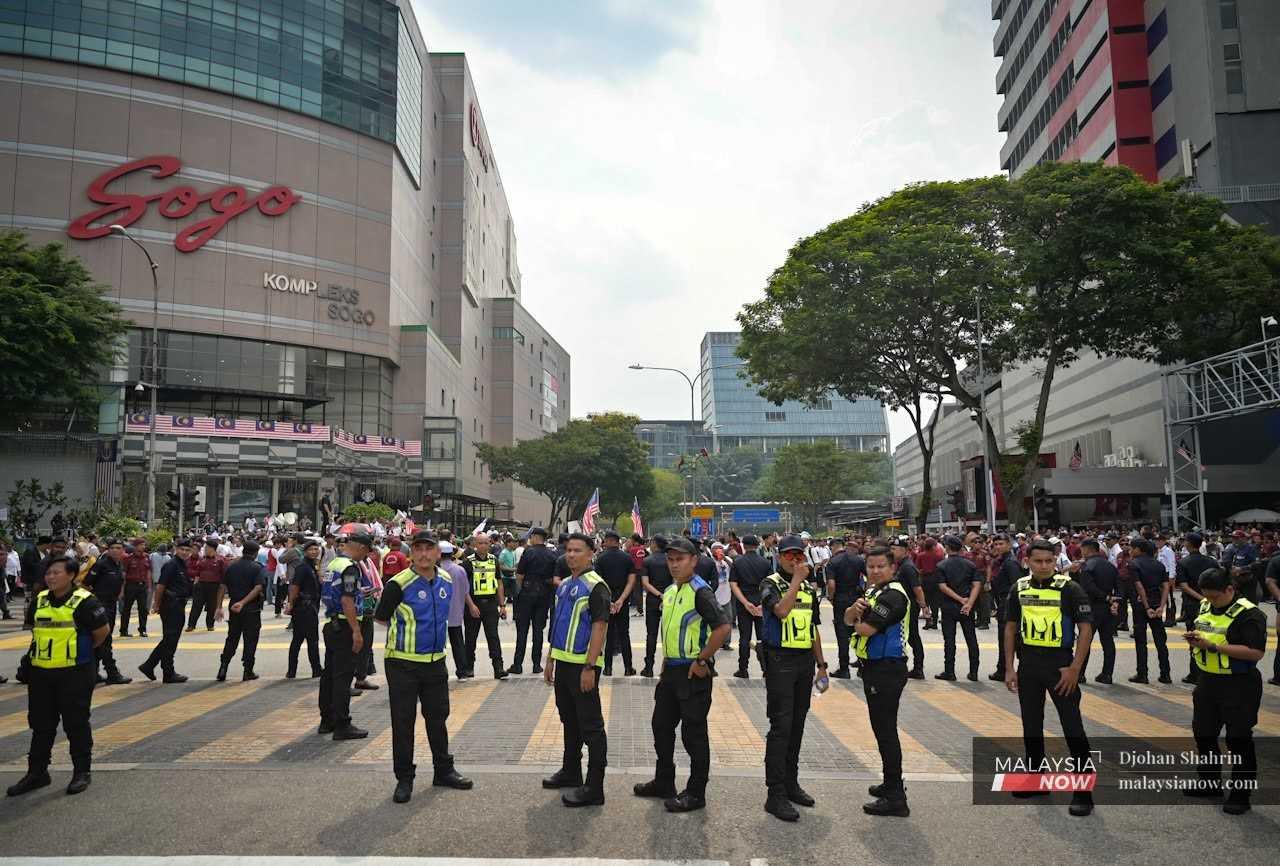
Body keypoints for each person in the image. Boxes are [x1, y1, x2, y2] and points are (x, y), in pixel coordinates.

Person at [633, 536, 730, 812]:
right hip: (672, 670)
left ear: (693, 561)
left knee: (693, 735)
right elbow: (673, 629)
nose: (674, 564)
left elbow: (723, 628)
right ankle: (664, 781)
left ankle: (696, 793)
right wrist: (665, 661)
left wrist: (702, 660)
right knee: (661, 727)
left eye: (680, 559)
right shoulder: (672, 590)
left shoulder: (701, 591)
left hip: (693, 673)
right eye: (671, 559)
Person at [375, 530, 473, 803]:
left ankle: (444, 770)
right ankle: (404, 778)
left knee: (438, 718)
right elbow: (381, 618)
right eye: (418, 549)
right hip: (402, 664)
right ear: (411, 554)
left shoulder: (445, 579)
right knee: (403, 722)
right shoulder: (399, 583)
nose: (423, 554)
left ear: (438, 552)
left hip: (435, 663)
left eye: (428, 549)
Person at [1003, 539, 1095, 817]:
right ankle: (1037, 780)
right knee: (1031, 725)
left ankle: (1083, 792)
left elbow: (1086, 630)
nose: (1044, 566)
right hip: (1029, 665)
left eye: (1049, 561)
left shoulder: (1070, 588)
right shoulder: (1018, 588)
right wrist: (1009, 667)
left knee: (1072, 728)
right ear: (1027, 561)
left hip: (1061, 666)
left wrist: (1075, 669)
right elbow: (1009, 629)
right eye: (1038, 561)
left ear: (1056, 561)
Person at [6, 556, 110, 798]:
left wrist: (77, 653)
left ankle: (81, 772)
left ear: (72, 575)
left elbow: (101, 633)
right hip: (41, 673)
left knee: (76, 723)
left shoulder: (85, 602)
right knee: (41, 725)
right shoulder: (40, 600)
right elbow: (36, 631)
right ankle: (37, 773)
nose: (50, 577)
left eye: (56, 573)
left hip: (74, 673)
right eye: (48, 573)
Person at [1183, 567, 1268, 814]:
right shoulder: (1206, 606)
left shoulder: (1249, 614)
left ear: (1230, 589)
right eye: (1206, 596)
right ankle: (1209, 782)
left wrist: (1213, 647)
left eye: (1214, 596)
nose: (1209, 601)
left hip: (1239, 684)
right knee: (1204, 733)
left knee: (1238, 739)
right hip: (1208, 681)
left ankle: (1241, 794)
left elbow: (1256, 652)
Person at [759, 535, 829, 822]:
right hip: (779, 661)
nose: (795, 560)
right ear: (779, 556)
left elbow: (812, 628)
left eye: (799, 556)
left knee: (798, 725)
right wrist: (798, 582)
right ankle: (774, 793)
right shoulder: (770, 584)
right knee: (781, 727)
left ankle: (791, 783)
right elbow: (782, 611)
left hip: (803, 664)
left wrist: (822, 665)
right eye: (789, 555)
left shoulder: (810, 592)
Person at [541, 532, 612, 807]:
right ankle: (571, 771)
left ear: (591, 553)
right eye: (568, 550)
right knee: (568, 720)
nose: (571, 555)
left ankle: (594, 787)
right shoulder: (565, 585)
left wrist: (590, 666)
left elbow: (600, 627)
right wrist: (550, 658)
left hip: (583, 665)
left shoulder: (596, 586)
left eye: (577, 550)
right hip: (564, 662)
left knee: (591, 726)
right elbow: (558, 624)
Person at [846, 545, 911, 816]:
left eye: (881, 566)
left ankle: (896, 797)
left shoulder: (893, 596)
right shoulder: (874, 591)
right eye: (871, 566)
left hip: (887, 669)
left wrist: (855, 617)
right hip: (873, 668)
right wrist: (853, 610)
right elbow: (848, 617)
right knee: (881, 729)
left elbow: (865, 628)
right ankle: (890, 782)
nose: (875, 571)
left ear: (892, 568)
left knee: (886, 732)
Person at [318, 532, 370, 740]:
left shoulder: (334, 564)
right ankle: (342, 724)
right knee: (342, 677)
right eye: (366, 552)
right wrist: (356, 630)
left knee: (329, 675)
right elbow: (347, 600)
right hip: (345, 627)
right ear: (361, 548)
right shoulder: (350, 568)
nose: (366, 556)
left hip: (333, 624)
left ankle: (327, 720)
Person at [139, 539, 195, 683]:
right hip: (171, 605)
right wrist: (156, 605)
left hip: (178, 604)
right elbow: (160, 586)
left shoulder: (182, 565)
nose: (185, 552)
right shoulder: (171, 565)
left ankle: (149, 665)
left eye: (187, 550)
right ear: (176, 549)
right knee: (170, 639)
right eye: (182, 549)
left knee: (170, 639)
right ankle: (167, 672)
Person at [80, 538, 131, 686]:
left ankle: (93, 673)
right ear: (108, 550)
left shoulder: (118, 565)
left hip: (111, 604)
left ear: (123, 551)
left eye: (119, 548)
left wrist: (119, 593)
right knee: (105, 639)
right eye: (113, 547)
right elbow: (86, 583)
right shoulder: (101, 564)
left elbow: (121, 582)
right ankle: (112, 673)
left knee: (101, 641)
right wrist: (93, 602)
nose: (116, 550)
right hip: (100, 606)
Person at [215, 540, 268, 682]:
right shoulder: (257, 568)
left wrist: (219, 607)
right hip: (251, 608)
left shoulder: (232, 567)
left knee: (232, 638)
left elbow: (222, 586)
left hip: (234, 607)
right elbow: (258, 588)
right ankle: (247, 671)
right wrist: (243, 602)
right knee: (250, 640)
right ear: (256, 553)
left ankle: (223, 667)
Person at [510, 527, 556, 675]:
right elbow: (552, 577)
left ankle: (518, 664)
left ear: (535, 537)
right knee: (538, 631)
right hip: (543, 595)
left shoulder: (528, 552)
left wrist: (518, 592)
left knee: (522, 631)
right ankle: (536, 664)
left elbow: (520, 575)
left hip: (526, 595)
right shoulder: (551, 554)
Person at [463, 533, 509, 680]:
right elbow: (463, 587)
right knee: (470, 638)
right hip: (474, 604)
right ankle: (469, 667)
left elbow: (499, 583)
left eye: (486, 543)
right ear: (475, 544)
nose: (483, 546)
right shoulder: (468, 562)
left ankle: (498, 668)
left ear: (489, 544)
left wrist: (502, 605)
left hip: (490, 604)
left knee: (493, 637)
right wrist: (470, 605)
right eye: (480, 543)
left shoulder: (493, 560)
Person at [936, 536, 981, 682]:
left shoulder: (942, 565)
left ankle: (950, 671)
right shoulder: (971, 565)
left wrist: (959, 599)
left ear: (948, 548)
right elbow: (977, 585)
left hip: (949, 607)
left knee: (949, 640)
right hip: (967, 607)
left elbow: (943, 587)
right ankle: (974, 672)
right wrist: (968, 603)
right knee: (971, 639)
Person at [1128, 538, 1172, 684]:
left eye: (1132, 548)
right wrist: (1161, 606)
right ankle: (1165, 674)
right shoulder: (1159, 565)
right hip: (1157, 604)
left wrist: (1146, 606)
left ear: (1139, 549)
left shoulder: (1134, 564)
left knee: (1141, 641)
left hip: (1142, 606)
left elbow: (1139, 586)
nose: (1130, 551)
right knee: (1161, 641)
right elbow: (1166, 586)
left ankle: (1143, 674)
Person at [729, 534, 771, 678]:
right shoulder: (765, 563)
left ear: (744, 546)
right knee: (763, 638)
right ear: (757, 545)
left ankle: (743, 669)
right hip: (761, 605)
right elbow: (770, 585)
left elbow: (733, 584)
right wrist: (761, 604)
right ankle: (766, 669)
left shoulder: (738, 562)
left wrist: (745, 603)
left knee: (744, 638)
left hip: (743, 604)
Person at [595, 530, 637, 677]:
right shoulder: (627, 558)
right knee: (624, 634)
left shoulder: (600, 558)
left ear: (607, 541)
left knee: (608, 634)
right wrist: (621, 600)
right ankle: (628, 667)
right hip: (622, 601)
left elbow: (598, 582)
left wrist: (610, 601)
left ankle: (608, 668)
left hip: (607, 600)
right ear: (618, 541)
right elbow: (631, 580)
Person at [1076, 539, 1118, 685]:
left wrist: (1104, 597)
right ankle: (1107, 673)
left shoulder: (1087, 566)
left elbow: (1088, 588)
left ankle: (1080, 673)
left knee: (1085, 641)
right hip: (1107, 608)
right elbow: (1119, 586)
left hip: (1091, 608)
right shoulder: (1110, 566)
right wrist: (1113, 600)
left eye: (1082, 549)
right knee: (1107, 641)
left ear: (1087, 550)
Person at [825, 540, 866, 678]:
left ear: (833, 547)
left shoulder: (833, 562)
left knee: (842, 634)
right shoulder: (858, 560)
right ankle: (862, 665)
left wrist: (831, 598)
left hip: (841, 600)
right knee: (859, 631)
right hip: (856, 598)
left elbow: (831, 584)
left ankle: (844, 668)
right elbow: (870, 577)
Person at [889, 538, 927, 679]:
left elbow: (917, 588)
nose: (892, 551)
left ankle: (918, 668)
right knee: (907, 635)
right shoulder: (900, 565)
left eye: (895, 549)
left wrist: (923, 606)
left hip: (910, 605)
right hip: (902, 605)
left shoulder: (908, 567)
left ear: (904, 551)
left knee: (912, 636)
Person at [286, 538, 324, 678]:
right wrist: (290, 604)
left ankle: (294, 671)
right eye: (311, 549)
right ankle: (314, 669)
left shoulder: (313, 566)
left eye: (316, 549)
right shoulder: (303, 567)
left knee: (301, 640)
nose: (315, 551)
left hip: (310, 607)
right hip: (304, 607)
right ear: (305, 552)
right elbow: (294, 586)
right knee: (307, 640)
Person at [987, 534, 1023, 681]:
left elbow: (1015, 586)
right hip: (1003, 603)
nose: (998, 547)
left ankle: (1004, 670)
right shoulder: (1001, 561)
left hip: (1008, 604)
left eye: (1001, 544)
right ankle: (1002, 668)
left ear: (1008, 544)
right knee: (1004, 639)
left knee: (1008, 639)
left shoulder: (1010, 563)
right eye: (995, 544)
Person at [639, 536, 672, 678]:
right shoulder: (670, 560)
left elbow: (645, 584)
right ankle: (667, 668)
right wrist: (666, 595)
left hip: (653, 600)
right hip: (669, 600)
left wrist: (659, 595)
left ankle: (649, 667)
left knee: (651, 635)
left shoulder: (647, 561)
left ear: (654, 544)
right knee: (668, 635)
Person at [186, 539, 226, 631]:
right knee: (196, 606)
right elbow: (197, 573)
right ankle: (191, 625)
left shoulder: (220, 560)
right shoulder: (202, 560)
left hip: (214, 586)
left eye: (206, 547)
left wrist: (222, 587)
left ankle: (210, 625)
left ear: (212, 548)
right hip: (201, 585)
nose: (205, 549)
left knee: (212, 606)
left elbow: (224, 574)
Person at [120, 538, 151, 637]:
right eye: (141, 545)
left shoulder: (147, 557)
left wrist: (149, 586)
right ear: (136, 546)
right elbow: (124, 574)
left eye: (144, 545)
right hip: (131, 586)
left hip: (142, 586)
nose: (143, 546)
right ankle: (123, 630)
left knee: (143, 609)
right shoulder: (128, 559)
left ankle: (143, 629)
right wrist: (122, 590)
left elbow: (149, 573)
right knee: (126, 609)